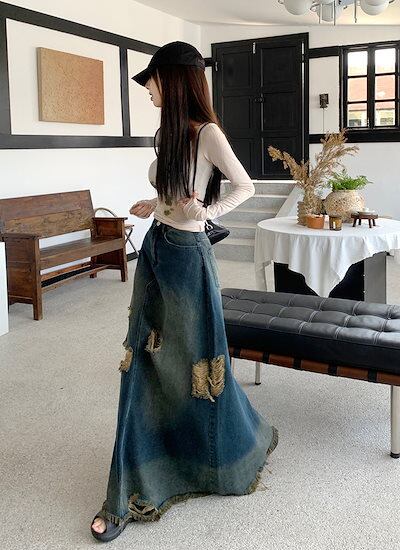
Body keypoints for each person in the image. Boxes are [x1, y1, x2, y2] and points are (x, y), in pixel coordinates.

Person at [90, 41, 279, 543]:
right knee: (143, 357)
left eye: (152, 80)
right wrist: (154, 204)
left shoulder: (207, 133)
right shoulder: (168, 133)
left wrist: (207, 212)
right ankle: (130, 483)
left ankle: (217, 452)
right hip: (158, 248)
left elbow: (245, 186)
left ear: (173, 80)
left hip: (188, 256)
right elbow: (172, 191)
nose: (148, 89)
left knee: (196, 364)